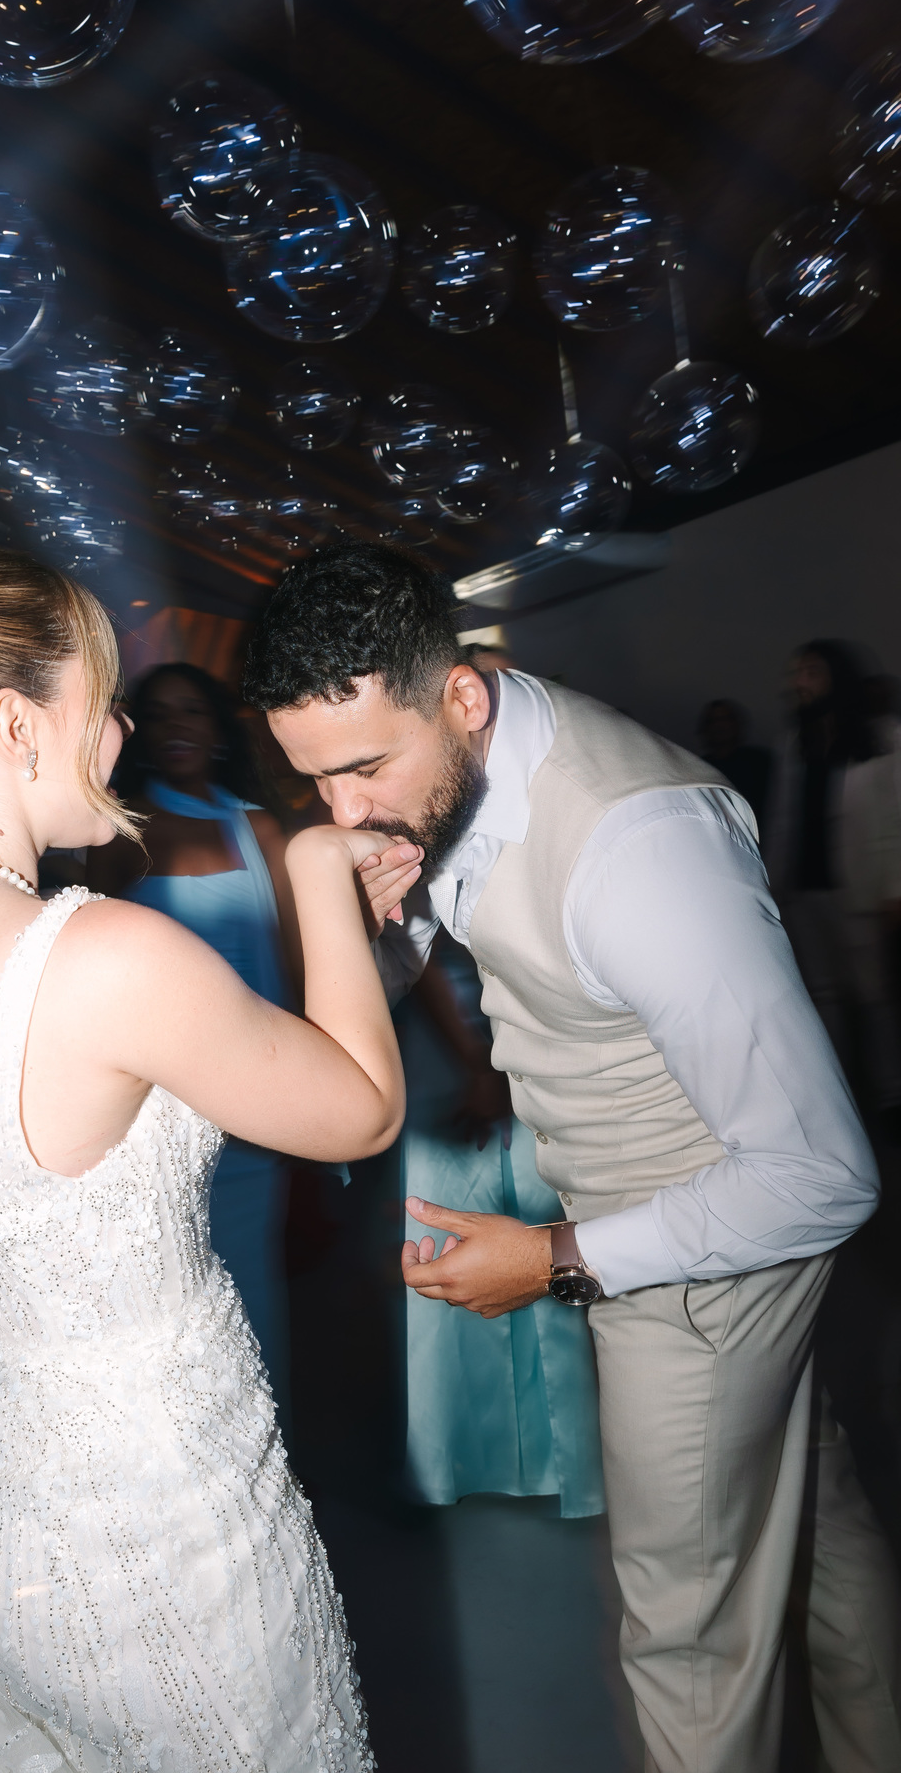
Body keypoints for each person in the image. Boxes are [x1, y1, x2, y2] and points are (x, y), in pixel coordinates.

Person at [0, 513, 417, 1771]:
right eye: (100, 704)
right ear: (18, 727)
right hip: (148, 1516)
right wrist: (322, 869)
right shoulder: (100, 955)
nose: (115, 736)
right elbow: (362, 1112)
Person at [243, 543, 901, 1773]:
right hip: (655, 1216)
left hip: (706, 1258)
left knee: (687, 1635)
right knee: (816, 1535)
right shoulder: (443, 776)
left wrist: (552, 1257)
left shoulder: (636, 845)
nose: (344, 811)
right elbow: (454, 962)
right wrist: (378, 916)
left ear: (464, 695)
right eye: (315, 781)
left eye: (364, 767)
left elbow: (824, 1173)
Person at [87, 663, 300, 1400]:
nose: (179, 727)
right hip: (161, 1106)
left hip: (259, 1092)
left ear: (216, 731)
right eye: (162, 715)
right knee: (174, 1293)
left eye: (194, 713)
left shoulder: (258, 824)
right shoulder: (123, 831)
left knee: (257, 1292)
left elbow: (295, 961)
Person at [397, 935, 605, 1517]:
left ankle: (553, 1458)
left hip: (518, 1031)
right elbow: (422, 947)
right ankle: (471, 1459)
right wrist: (474, 1059)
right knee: (457, 1239)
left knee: (536, 1239)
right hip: (457, 1040)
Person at [766, 639, 901, 1116]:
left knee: (874, 996)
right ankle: (844, 1101)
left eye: (811, 672)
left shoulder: (882, 735)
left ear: (835, 678)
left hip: (859, 889)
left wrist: (894, 890)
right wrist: (774, 886)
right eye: (797, 672)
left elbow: (894, 819)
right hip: (805, 889)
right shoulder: (796, 742)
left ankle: (891, 1096)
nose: (798, 682)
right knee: (824, 998)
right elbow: (785, 816)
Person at [697, 697, 772, 830]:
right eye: (713, 721)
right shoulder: (697, 769)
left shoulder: (760, 762)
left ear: (737, 724)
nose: (720, 725)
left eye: (725, 719)